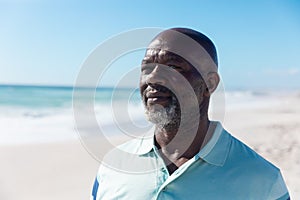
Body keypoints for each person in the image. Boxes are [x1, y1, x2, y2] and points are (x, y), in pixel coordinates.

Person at [91, 28, 290, 200]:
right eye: (147, 68)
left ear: (209, 83)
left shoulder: (262, 179)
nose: (153, 78)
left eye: (174, 67)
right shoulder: (113, 166)